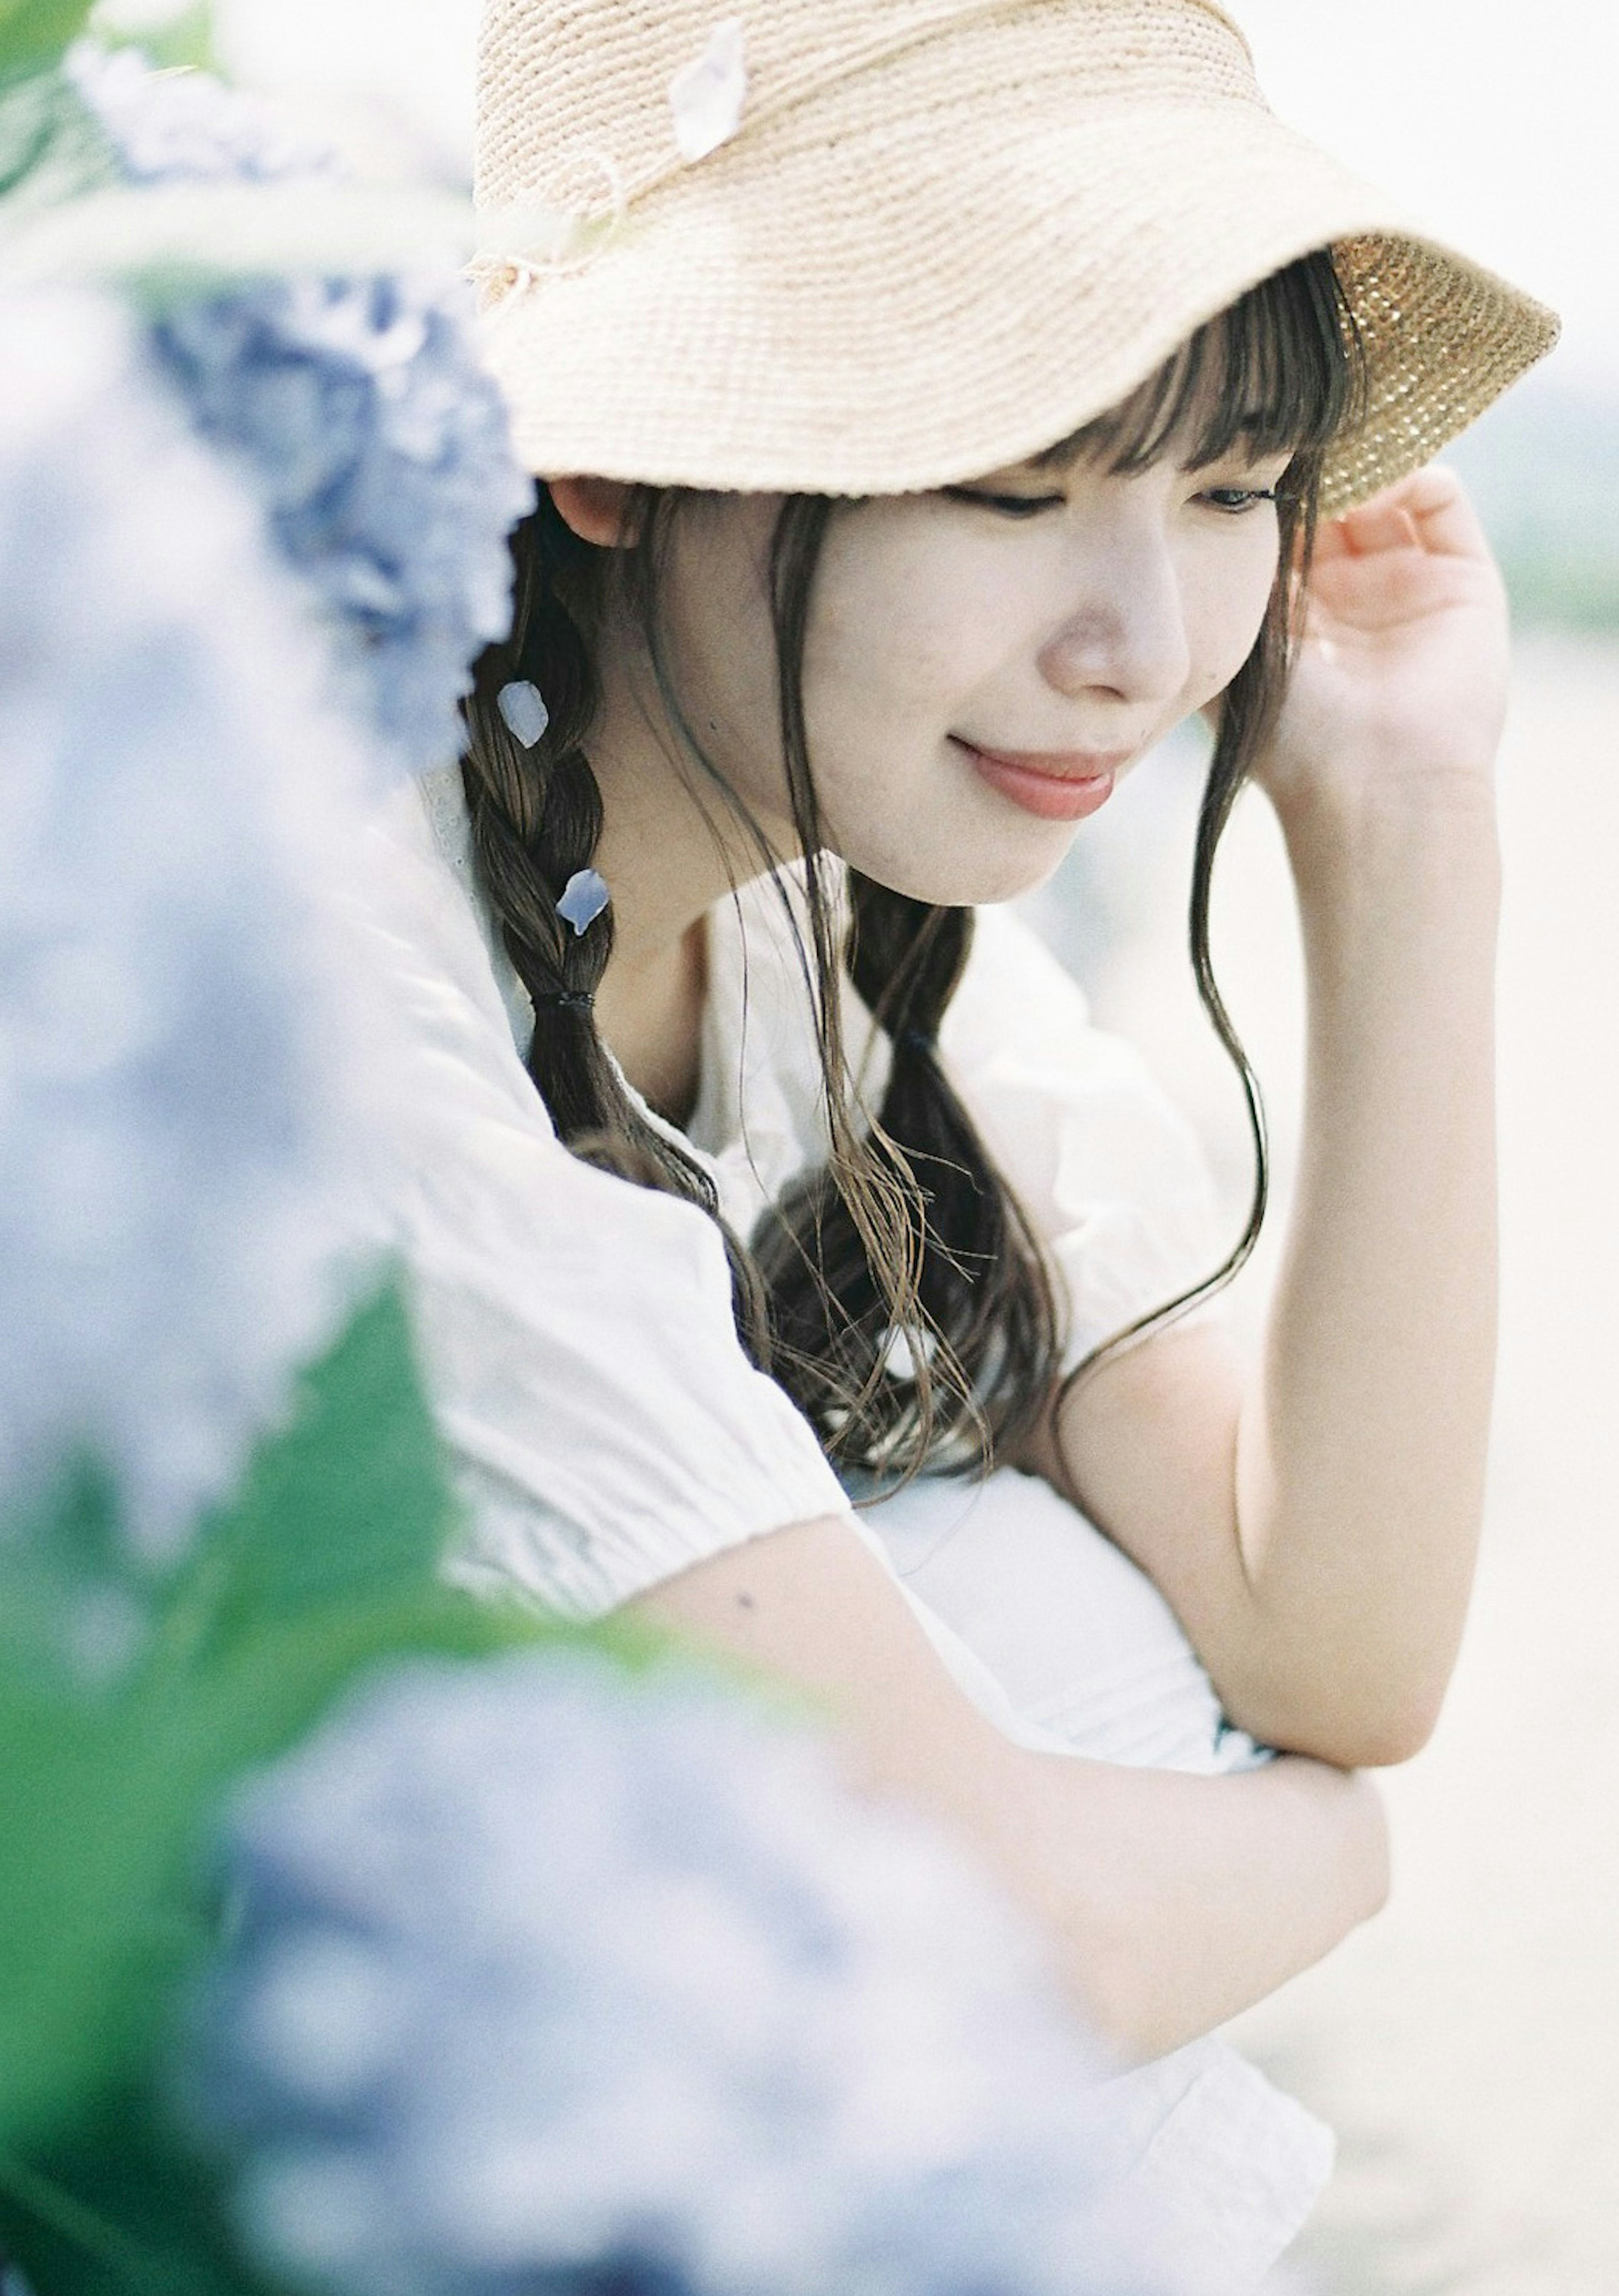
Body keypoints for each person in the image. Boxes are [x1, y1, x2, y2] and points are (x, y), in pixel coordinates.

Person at [355, 0, 1555, 2281]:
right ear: (613, 461)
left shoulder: (854, 933)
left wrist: (1405, 822)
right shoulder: (365, 1016)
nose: (1147, 643)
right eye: (1013, 483)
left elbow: (1332, 1633)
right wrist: (1337, 1852)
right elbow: (1014, 1946)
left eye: (1225, 494)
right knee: (1045, 1629)